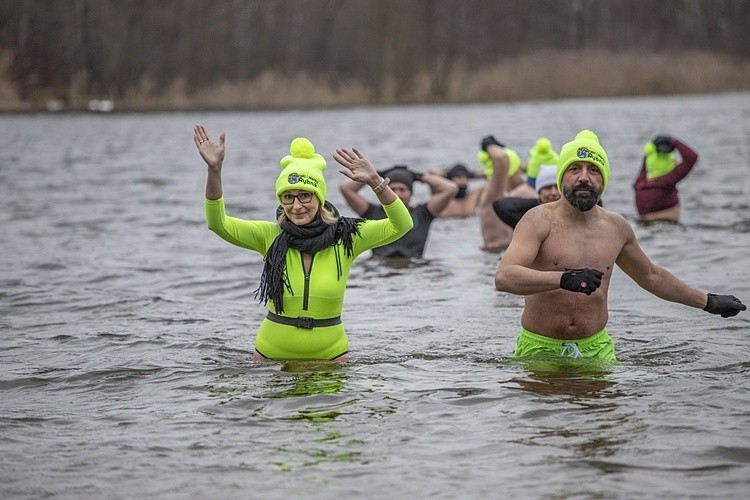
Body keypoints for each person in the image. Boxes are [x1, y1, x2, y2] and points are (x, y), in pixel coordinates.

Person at [495, 129, 745, 361]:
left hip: (596, 350)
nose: (584, 177)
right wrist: (562, 279)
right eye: (574, 169)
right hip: (540, 348)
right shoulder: (538, 220)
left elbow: (652, 276)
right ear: (562, 177)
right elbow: (505, 277)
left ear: (602, 179)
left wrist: (707, 301)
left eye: (593, 170)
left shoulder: (616, 227)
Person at [195, 124, 413, 362]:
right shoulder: (270, 236)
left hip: (331, 357)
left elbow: (401, 225)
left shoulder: (347, 237)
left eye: (305, 195)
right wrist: (214, 170)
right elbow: (218, 223)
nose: (296, 206)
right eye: (288, 197)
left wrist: (375, 182)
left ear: (319, 198)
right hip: (271, 358)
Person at [339, 164, 457, 259]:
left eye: (402, 190)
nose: (397, 194)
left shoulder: (423, 213)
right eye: (392, 189)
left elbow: (450, 188)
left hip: (414, 265)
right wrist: (374, 176)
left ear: (411, 193)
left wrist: (419, 176)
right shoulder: (372, 212)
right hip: (380, 266)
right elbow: (346, 188)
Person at [633, 134, 699, 223]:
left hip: (643, 223)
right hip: (667, 224)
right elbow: (691, 158)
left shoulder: (641, 182)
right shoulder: (667, 180)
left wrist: (653, 146)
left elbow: (647, 158)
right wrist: (674, 142)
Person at [492, 164, 561, 229]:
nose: (553, 192)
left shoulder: (570, 216)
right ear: (539, 192)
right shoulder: (531, 221)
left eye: (558, 187)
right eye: (548, 188)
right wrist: (538, 203)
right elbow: (501, 205)